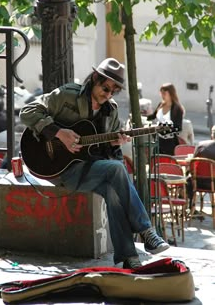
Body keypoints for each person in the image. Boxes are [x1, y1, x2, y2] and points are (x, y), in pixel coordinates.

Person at [20, 57, 169, 269]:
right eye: (104, 87)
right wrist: (58, 133)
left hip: (89, 169)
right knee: (117, 170)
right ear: (94, 79)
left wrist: (116, 144)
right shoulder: (67, 95)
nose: (107, 94)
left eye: (112, 91)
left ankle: (128, 257)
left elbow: (109, 155)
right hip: (57, 169)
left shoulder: (112, 110)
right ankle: (146, 231)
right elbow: (27, 112)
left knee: (113, 191)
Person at [147, 83, 184, 155]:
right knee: (156, 162)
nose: (162, 95)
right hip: (158, 140)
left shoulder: (177, 108)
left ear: (171, 93)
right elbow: (153, 116)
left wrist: (165, 129)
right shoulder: (161, 104)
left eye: (164, 93)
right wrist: (140, 116)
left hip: (169, 142)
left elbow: (178, 127)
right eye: (161, 93)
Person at [186, 125, 215, 210]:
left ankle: (190, 207)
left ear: (212, 135)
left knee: (188, 179)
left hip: (198, 182)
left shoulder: (201, 145)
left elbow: (192, 164)